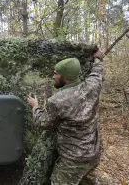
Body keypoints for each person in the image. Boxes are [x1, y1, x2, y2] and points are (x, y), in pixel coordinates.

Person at [27, 49, 104, 185]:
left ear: (66, 77)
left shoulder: (57, 101)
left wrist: (35, 106)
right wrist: (98, 59)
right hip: (94, 154)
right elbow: (97, 73)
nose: (53, 76)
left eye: (56, 74)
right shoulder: (92, 86)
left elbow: (43, 123)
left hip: (73, 161)